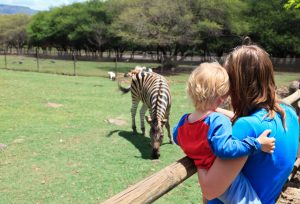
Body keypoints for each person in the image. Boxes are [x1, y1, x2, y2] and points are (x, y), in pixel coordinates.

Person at [196, 45, 299, 204]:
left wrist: (198, 155)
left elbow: (210, 190)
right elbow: (249, 121)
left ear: (239, 84)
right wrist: (214, 111)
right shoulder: (288, 113)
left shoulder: (247, 126)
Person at [173, 62, 275, 204]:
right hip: (227, 183)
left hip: (205, 175)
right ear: (221, 96)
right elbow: (225, 149)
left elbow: (176, 137)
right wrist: (257, 144)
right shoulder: (217, 120)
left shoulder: (185, 120)